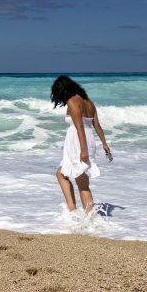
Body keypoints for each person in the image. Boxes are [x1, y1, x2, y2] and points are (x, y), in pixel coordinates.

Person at [51, 75, 111, 213]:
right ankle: (88, 217)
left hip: (79, 143)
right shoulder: (89, 102)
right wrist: (104, 143)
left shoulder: (73, 102)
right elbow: (97, 125)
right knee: (78, 180)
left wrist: (83, 151)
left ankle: (75, 213)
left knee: (67, 177)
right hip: (89, 141)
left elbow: (79, 128)